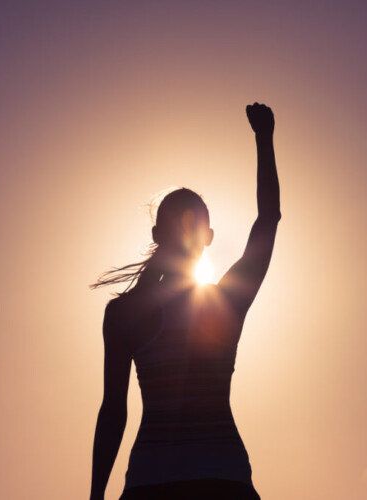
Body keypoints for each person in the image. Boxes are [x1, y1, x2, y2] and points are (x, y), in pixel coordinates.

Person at [89, 102, 281, 500]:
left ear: (158, 233)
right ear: (207, 240)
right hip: (221, 479)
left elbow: (113, 413)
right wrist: (264, 138)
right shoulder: (226, 302)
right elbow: (268, 219)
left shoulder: (123, 313)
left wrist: (95, 496)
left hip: (152, 481)